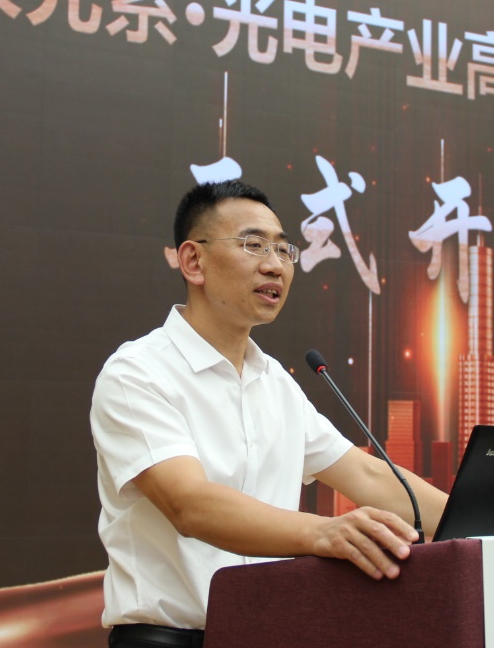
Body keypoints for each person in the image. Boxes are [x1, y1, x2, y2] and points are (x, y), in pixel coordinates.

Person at [91, 180, 447, 647]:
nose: (274, 265)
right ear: (193, 261)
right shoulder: (137, 372)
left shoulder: (275, 381)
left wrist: (486, 524)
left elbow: (368, 476)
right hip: (172, 640)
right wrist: (325, 533)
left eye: (283, 249)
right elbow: (190, 504)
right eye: (253, 245)